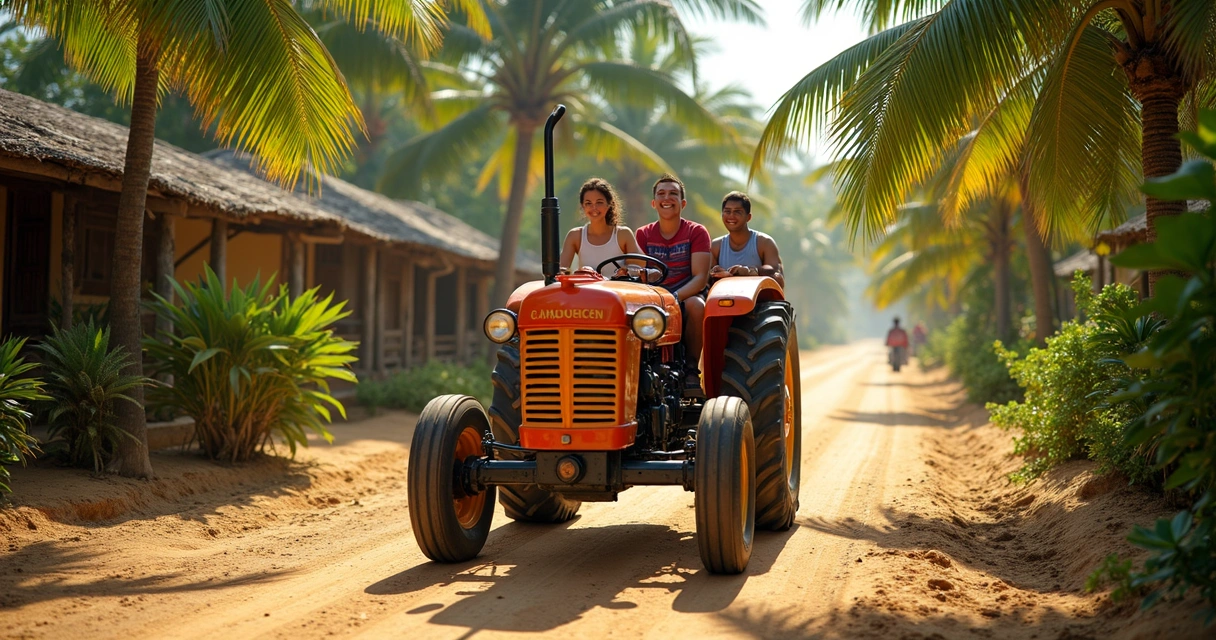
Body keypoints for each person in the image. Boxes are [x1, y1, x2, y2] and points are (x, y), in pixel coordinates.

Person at [635, 173, 712, 397]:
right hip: (653, 296)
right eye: (661, 194)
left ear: (682, 203)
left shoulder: (696, 232)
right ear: (654, 203)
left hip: (685, 294)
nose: (666, 198)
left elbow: (699, 278)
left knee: (697, 306)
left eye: (673, 194)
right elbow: (639, 272)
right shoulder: (643, 234)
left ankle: (690, 370)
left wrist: (674, 298)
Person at [558, 177, 643, 276]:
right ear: (583, 206)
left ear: (609, 204)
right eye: (588, 203)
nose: (594, 208)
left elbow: (637, 268)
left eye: (599, 202)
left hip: (617, 290)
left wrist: (625, 272)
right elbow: (561, 271)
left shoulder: (623, 234)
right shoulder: (575, 236)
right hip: (587, 290)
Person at [709, 190, 785, 288]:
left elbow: (773, 270)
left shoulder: (764, 242)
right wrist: (717, 272)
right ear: (722, 215)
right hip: (726, 298)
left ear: (748, 217)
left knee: (777, 277)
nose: (731, 216)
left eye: (737, 212)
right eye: (727, 211)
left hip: (761, 299)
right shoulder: (716, 246)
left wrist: (748, 271)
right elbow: (708, 278)